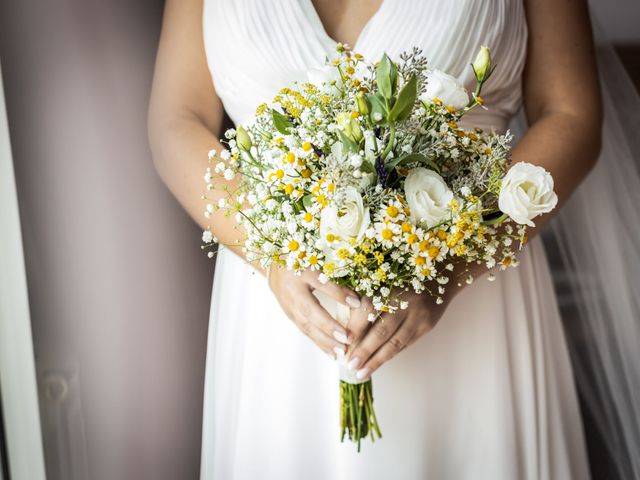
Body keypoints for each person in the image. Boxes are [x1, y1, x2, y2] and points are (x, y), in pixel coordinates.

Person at [148, 0, 611, 478]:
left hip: (471, 297)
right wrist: (271, 254)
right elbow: (176, 119)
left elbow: (570, 112)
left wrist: (453, 262)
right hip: (280, 310)